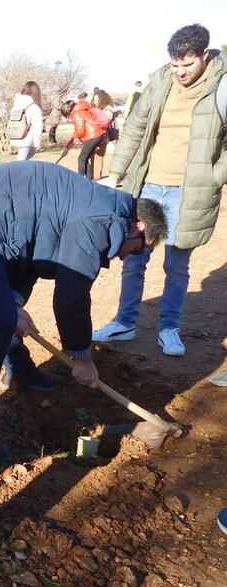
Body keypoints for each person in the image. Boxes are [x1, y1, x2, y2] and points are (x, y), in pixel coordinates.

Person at [0, 161, 168, 462]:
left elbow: (34, 252)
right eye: (140, 249)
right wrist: (82, 358)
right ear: (138, 227)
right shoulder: (99, 221)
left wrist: (15, 300)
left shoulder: (100, 207)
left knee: (7, 311)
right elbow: (71, 298)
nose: (131, 257)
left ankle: (22, 373)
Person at [93, 24, 227, 358]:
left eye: (188, 65)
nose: (180, 72)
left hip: (192, 190)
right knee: (134, 257)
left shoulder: (222, 85)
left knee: (177, 265)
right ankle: (125, 322)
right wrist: (114, 174)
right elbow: (136, 129)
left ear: (205, 55)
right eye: (174, 65)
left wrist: (215, 175)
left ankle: (169, 328)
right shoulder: (160, 83)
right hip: (149, 185)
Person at [59, 98, 107, 179]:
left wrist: (68, 147)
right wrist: (67, 147)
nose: (68, 118)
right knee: (85, 158)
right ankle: (88, 180)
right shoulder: (82, 111)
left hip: (93, 136)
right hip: (98, 135)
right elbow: (77, 132)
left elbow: (80, 131)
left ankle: (80, 180)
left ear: (68, 111)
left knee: (81, 159)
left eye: (67, 116)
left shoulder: (77, 114)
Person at [9, 81, 43, 161]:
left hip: (15, 135)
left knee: (25, 158)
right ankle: (14, 173)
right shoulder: (34, 108)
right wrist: (37, 143)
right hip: (26, 139)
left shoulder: (16, 105)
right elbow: (37, 128)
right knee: (20, 163)